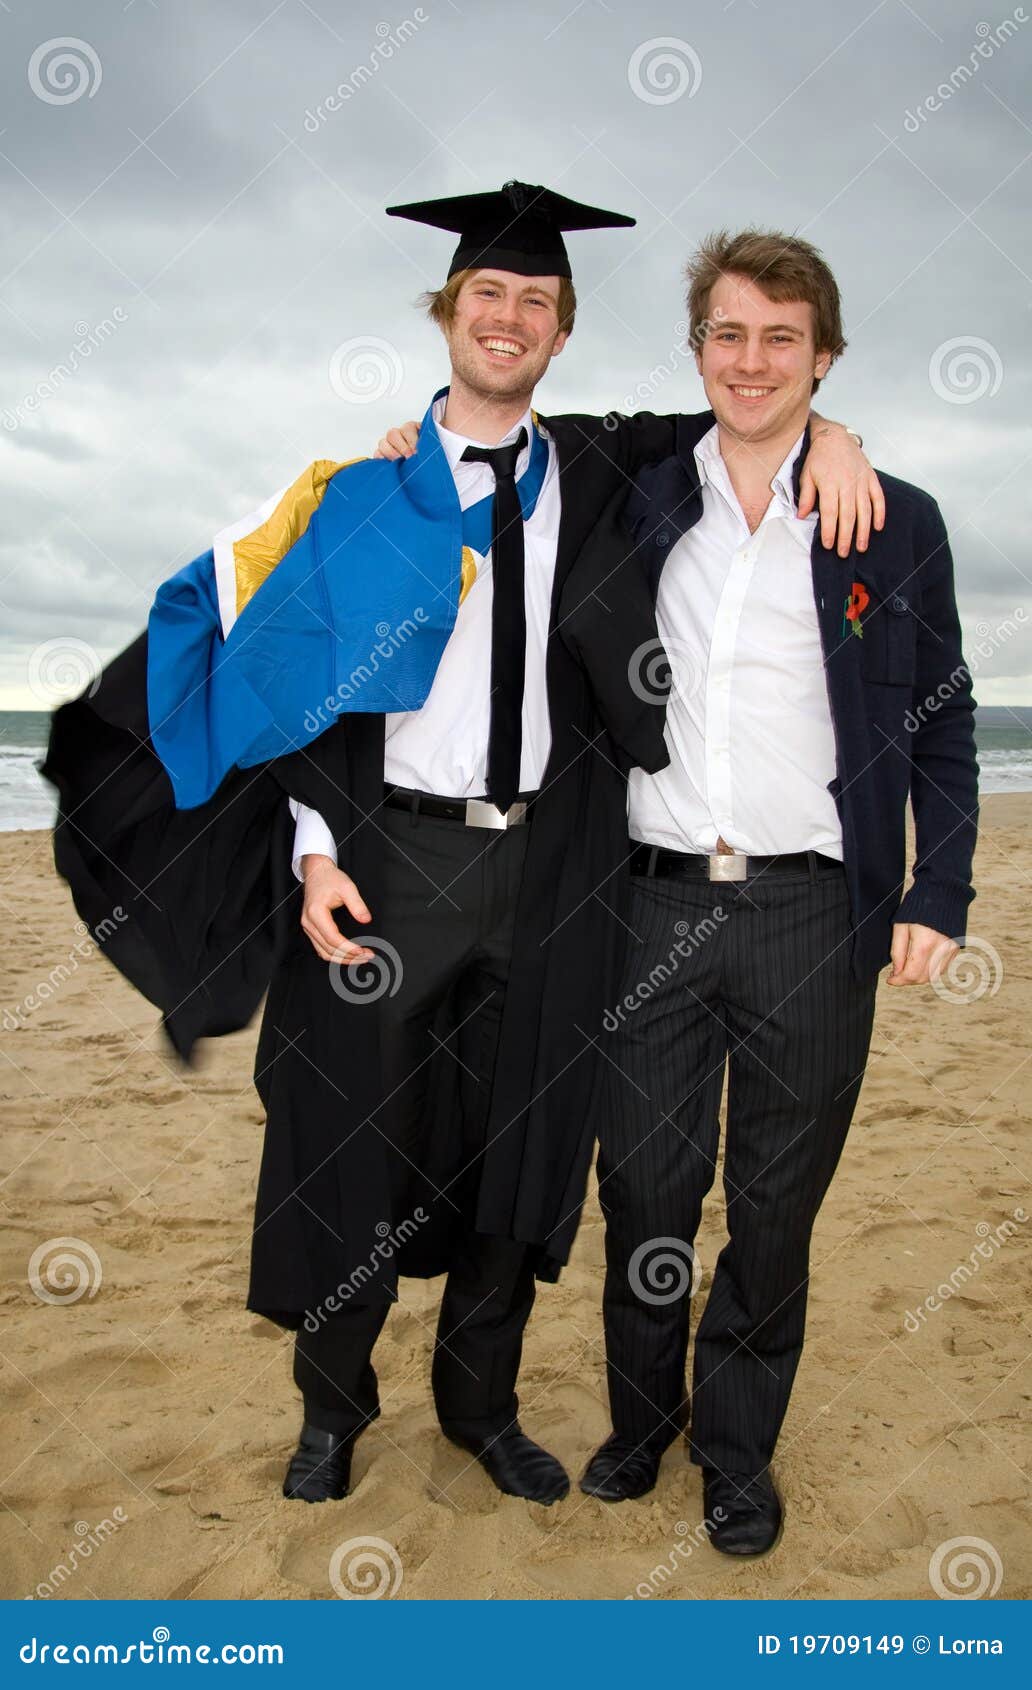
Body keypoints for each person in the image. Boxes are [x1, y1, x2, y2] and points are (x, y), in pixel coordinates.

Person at [42, 187, 877, 1513]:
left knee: (518, 1149)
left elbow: (749, 407)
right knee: (348, 1144)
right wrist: (314, 849)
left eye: (536, 302)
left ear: (562, 334)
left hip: (549, 874)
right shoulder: (360, 497)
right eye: (489, 294)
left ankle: (481, 1407)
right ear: (449, 314)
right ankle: (332, 1411)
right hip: (386, 868)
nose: (509, 317)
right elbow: (294, 691)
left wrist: (836, 431)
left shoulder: (599, 473)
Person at [564, 229, 978, 1556]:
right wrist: (404, 438)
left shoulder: (893, 518)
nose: (753, 361)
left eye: (782, 338)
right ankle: (640, 1424)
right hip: (652, 901)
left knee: (776, 1203)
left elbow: (943, 722)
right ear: (699, 350)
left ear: (824, 355)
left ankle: (736, 1452)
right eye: (729, 334)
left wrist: (939, 890)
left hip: (815, 910)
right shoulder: (632, 490)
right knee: (647, 1190)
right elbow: (496, 429)